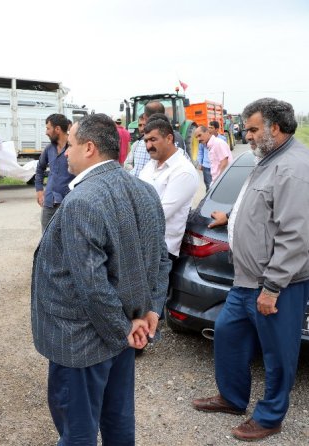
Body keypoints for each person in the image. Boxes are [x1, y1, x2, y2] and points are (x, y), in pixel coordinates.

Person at [31, 114, 172, 445]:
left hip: (83, 341)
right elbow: (161, 260)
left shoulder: (82, 201)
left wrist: (127, 329)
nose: (65, 153)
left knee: (77, 430)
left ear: (90, 148)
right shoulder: (145, 190)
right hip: (125, 329)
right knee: (118, 418)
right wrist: (149, 312)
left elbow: (92, 287)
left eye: (71, 145)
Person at [192, 98, 309, 442]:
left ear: (276, 127)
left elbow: (295, 234)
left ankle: (271, 417)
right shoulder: (267, 159)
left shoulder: (293, 167)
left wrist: (272, 288)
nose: (248, 134)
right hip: (245, 280)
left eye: (254, 128)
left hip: (276, 284)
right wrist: (230, 218)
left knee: (278, 354)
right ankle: (232, 397)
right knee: (227, 334)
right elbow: (260, 204)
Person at [139, 114, 199, 259]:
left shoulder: (183, 171)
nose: (148, 146)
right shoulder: (150, 165)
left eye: (153, 140)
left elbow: (159, 213)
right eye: (146, 141)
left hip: (161, 249)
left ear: (169, 138)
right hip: (142, 244)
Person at [35, 113, 74, 232]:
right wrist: (39, 191)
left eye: (48, 128)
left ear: (57, 129)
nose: (46, 132)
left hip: (69, 202)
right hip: (49, 202)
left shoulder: (74, 148)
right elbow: (39, 169)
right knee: (46, 239)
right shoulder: (49, 149)